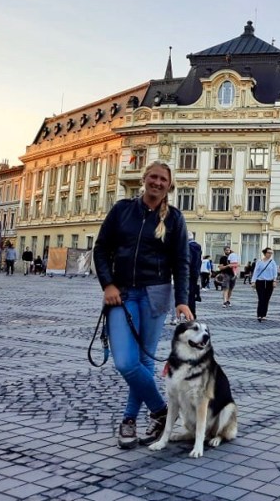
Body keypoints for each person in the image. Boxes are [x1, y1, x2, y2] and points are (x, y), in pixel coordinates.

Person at [93, 160, 192, 450]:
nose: (157, 183)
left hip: (156, 293)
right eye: (153, 177)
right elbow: (101, 248)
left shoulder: (174, 218)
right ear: (143, 178)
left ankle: (129, 421)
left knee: (146, 361)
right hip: (121, 294)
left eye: (163, 179)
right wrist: (108, 284)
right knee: (125, 361)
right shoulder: (122, 210)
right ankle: (162, 411)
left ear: (169, 185)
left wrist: (183, 300)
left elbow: (181, 262)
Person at [252, 247, 278, 321]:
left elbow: (275, 272)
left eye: (271, 253)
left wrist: (274, 281)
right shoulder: (259, 261)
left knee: (267, 298)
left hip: (269, 282)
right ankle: (259, 314)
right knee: (261, 298)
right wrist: (253, 281)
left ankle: (264, 315)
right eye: (268, 253)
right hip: (260, 281)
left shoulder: (272, 262)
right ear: (265, 253)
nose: (270, 254)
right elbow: (256, 272)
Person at [182, 235, 203, 321]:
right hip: (195, 273)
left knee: (188, 295)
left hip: (188, 274)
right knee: (191, 295)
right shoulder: (198, 247)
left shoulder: (189, 247)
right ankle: (192, 313)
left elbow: (188, 260)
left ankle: (189, 314)